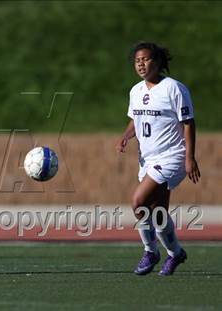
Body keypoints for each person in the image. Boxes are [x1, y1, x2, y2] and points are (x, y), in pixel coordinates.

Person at [116, 42, 200, 276]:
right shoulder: (136, 91)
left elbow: (188, 123)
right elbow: (135, 118)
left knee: (138, 201)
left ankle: (150, 251)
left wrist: (190, 158)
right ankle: (175, 254)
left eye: (146, 59)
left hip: (172, 156)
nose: (141, 64)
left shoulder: (174, 89)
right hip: (147, 159)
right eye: (137, 61)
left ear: (158, 62)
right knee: (158, 212)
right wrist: (125, 136)